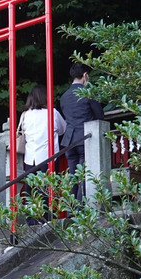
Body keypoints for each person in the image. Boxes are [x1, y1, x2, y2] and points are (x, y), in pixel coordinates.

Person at [18, 83, 65, 223]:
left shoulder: (25, 115)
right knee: (47, 188)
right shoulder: (52, 112)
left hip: (30, 157)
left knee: (31, 190)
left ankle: (31, 219)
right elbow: (63, 128)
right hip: (48, 155)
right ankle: (47, 217)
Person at [59, 62, 104, 202]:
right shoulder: (87, 93)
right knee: (85, 175)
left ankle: (71, 209)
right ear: (85, 76)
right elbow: (100, 116)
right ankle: (81, 208)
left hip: (70, 140)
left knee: (73, 175)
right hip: (86, 138)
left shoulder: (64, 97)